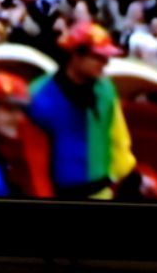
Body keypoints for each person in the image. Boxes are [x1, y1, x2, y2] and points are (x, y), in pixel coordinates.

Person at [27, 22, 137, 199]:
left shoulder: (106, 89)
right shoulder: (39, 95)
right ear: (76, 54)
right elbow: (33, 162)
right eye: (99, 57)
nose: (106, 63)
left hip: (102, 191)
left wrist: (123, 175)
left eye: (106, 57)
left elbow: (118, 136)